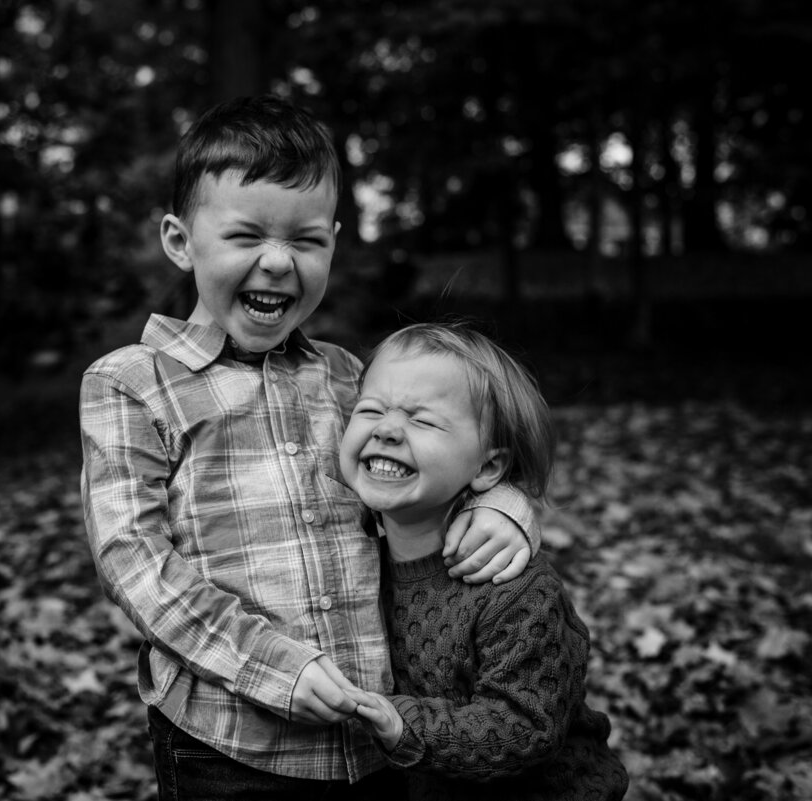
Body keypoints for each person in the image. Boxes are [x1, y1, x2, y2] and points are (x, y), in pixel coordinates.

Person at [79, 95, 541, 799]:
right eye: (245, 236)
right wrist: (276, 666)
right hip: (230, 744)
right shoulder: (132, 384)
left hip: (378, 731)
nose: (277, 261)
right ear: (180, 240)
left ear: (333, 239)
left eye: (305, 239)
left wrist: (504, 500)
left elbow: (425, 472)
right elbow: (136, 563)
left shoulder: (349, 376)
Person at [344, 322, 629, 799]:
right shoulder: (351, 557)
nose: (387, 429)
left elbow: (525, 728)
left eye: (423, 420)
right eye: (370, 409)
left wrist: (401, 724)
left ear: (489, 467)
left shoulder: (514, 592)